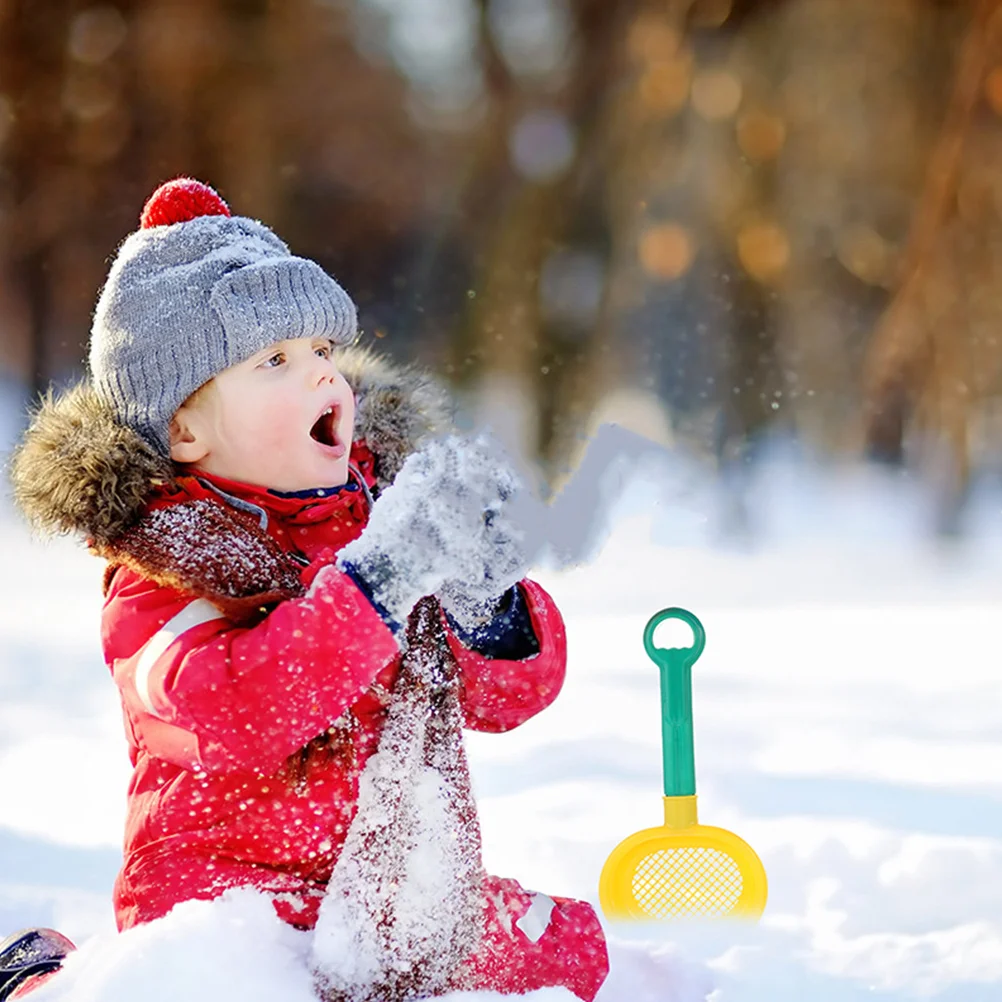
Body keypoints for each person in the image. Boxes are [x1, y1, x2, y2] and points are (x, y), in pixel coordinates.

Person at [9, 178, 609, 1001]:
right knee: (233, 990)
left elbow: (507, 699)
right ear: (184, 429)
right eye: (275, 361)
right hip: (226, 902)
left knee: (569, 953)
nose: (322, 378)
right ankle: (53, 980)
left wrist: (485, 597)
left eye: (323, 351)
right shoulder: (154, 572)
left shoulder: (384, 518)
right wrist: (377, 587)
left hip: (385, 895)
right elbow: (236, 709)